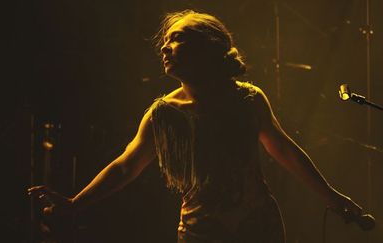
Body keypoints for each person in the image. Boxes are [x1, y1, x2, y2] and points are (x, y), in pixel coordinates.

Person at [28, 10, 362, 243]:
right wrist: (75, 205)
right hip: (202, 231)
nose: (164, 47)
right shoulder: (165, 113)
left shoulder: (248, 99)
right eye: (165, 41)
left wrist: (332, 198)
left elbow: (285, 151)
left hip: (257, 227)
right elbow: (125, 166)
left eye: (177, 39)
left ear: (209, 46)